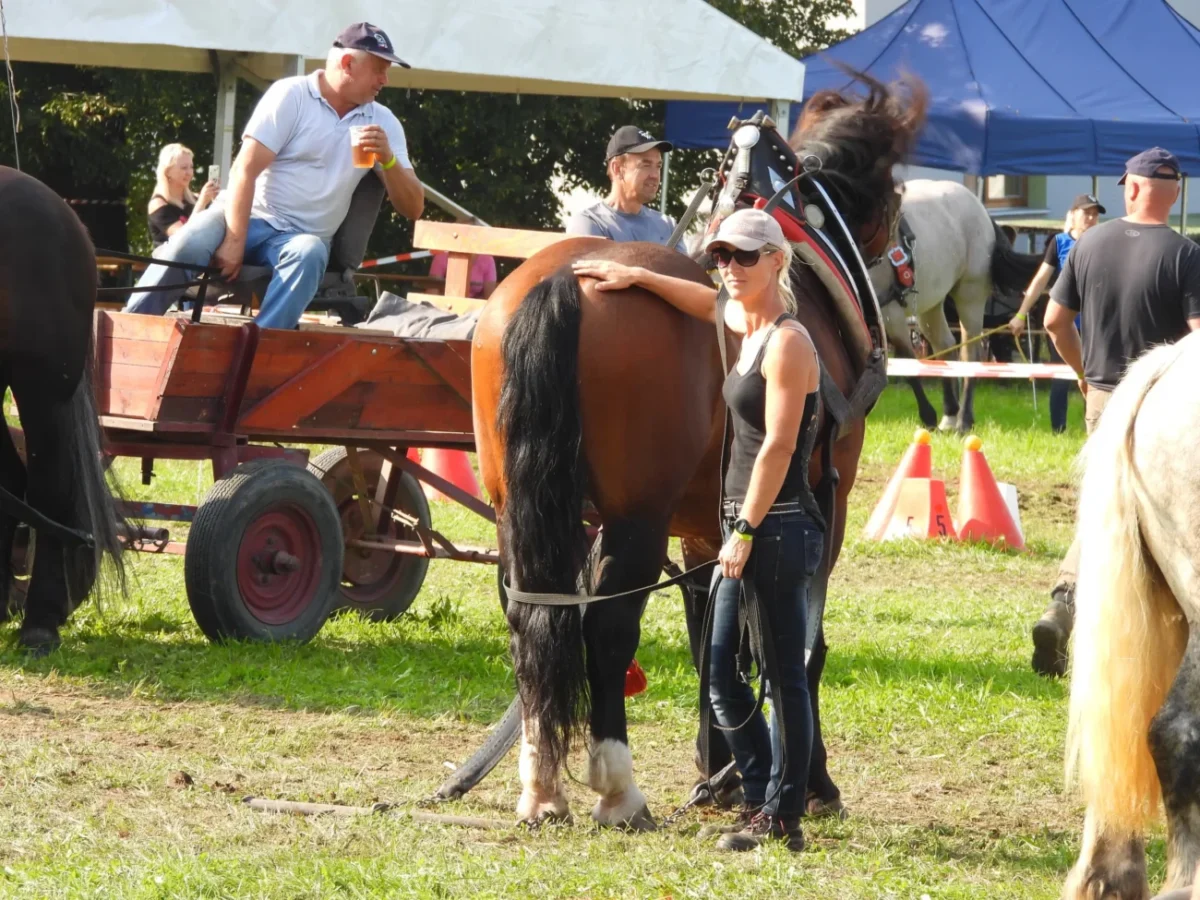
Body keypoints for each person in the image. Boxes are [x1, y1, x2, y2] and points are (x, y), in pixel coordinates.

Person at [571, 208, 822, 852]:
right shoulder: (741, 321)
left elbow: (779, 448)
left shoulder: (789, 344)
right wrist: (635, 276)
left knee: (781, 676)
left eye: (743, 256)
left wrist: (743, 530)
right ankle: (764, 788)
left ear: (776, 260)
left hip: (777, 524)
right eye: (721, 257)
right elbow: (704, 301)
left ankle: (783, 815)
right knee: (721, 676)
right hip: (747, 524)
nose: (729, 269)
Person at [123, 23, 424, 330]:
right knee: (186, 244)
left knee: (310, 253)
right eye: (379, 70)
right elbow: (244, 169)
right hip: (242, 217)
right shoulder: (291, 95)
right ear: (347, 64)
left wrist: (387, 161)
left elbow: (414, 208)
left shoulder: (383, 121)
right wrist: (234, 240)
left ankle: (260, 349)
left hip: (298, 239)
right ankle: (126, 330)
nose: (385, 80)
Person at [1031, 147, 1200, 678]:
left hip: (1104, 397)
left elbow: (1055, 321)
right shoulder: (1186, 254)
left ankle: (1066, 598)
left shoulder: (1086, 244)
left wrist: (1083, 375)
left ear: (1130, 188)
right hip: (1165, 406)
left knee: (1105, 506)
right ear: (1174, 195)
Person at [1008, 193, 1104, 432]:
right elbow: (1041, 280)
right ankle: (1058, 431)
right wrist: (1020, 314)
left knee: (1094, 380)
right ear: (1073, 215)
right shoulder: (1059, 242)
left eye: (1095, 214)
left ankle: (1093, 429)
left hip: (1095, 324)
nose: (1091, 218)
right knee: (1061, 378)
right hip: (1065, 324)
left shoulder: (1103, 242)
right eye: (1087, 213)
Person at [566, 126, 685, 251]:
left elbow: (685, 271)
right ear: (617, 169)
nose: (655, 175)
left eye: (658, 166)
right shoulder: (590, 222)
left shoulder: (667, 225)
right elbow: (591, 270)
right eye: (645, 165)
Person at [147, 143, 219, 247]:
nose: (189, 172)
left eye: (191, 167)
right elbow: (184, 240)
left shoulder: (196, 198)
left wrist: (215, 201)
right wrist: (202, 203)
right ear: (167, 172)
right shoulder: (158, 203)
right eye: (184, 168)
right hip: (171, 261)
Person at [427, 251, 497, 300]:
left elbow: (489, 299)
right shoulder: (441, 257)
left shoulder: (487, 260)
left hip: (473, 313)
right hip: (445, 309)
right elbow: (432, 296)